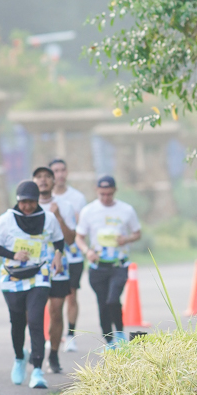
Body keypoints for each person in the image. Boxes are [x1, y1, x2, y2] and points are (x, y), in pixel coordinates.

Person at [0, 180, 67, 388]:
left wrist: (58, 255)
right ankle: (19, 357)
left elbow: (59, 240)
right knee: (17, 322)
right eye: (23, 202)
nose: (27, 206)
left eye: (31, 202)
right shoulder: (7, 219)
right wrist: (13, 254)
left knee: (35, 320)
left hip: (39, 274)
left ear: (37, 200)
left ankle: (38, 371)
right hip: (12, 276)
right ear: (18, 201)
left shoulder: (48, 219)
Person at [76, 176, 142, 348]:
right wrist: (87, 251)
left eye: (109, 194)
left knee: (113, 299)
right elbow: (79, 237)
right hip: (97, 266)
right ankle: (109, 340)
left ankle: (119, 332)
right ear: (96, 191)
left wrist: (126, 239)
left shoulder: (126, 210)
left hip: (119, 264)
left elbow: (137, 233)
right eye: (102, 194)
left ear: (115, 191)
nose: (106, 198)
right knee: (103, 303)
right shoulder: (88, 211)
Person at [35, 164, 72, 372]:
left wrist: (58, 217)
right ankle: (36, 351)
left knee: (56, 312)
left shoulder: (64, 206)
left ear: (53, 180)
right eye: (39, 176)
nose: (43, 179)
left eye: (47, 176)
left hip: (58, 267)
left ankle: (54, 355)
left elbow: (71, 239)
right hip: (33, 268)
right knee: (34, 313)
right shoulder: (26, 205)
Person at [50, 157, 88, 351]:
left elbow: (80, 227)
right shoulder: (44, 199)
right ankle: (52, 334)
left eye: (62, 170)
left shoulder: (77, 198)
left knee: (71, 295)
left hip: (72, 256)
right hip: (50, 257)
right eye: (55, 171)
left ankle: (71, 335)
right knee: (52, 299)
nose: (60, 174)